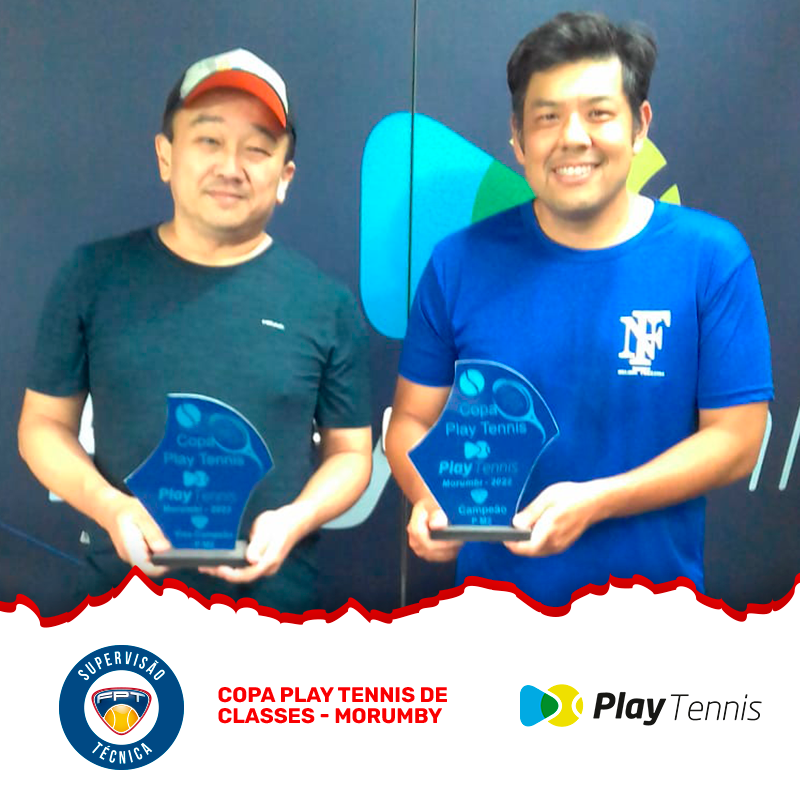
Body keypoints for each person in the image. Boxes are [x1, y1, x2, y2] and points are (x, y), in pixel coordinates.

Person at [385, 12, 772, 607]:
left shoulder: (711, 257)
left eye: (598, 113)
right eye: (547, 117)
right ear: (518, 138)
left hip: (651, 616)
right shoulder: (458, 263)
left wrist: (598, 501)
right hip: (491, 614)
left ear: (640, 126)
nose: (572, 137)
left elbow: (738, 440)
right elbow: (410, 422)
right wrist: (430, 497)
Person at [18, 48, 372, 613]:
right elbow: (42, 426)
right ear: (166, 156)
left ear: (285, 177)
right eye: (209, 140)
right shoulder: (93, 276)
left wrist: (295, 518)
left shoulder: (325, 303)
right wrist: (112, 507)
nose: (231, 166)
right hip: (123, 607)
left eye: (257, 149)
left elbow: (351, 453)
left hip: (276, 613)